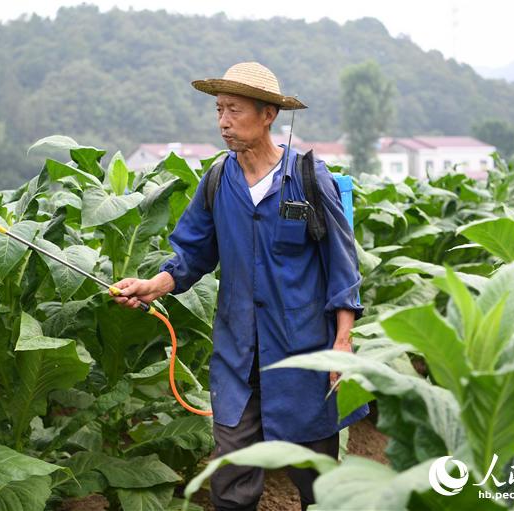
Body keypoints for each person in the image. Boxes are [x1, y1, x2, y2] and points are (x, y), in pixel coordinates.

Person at [111, 61, 367, 511]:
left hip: (304, 356)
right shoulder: (216, 181)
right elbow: (193, 255)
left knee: (319, 485)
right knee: (231, 482)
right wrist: (154, 285)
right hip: (237, 356)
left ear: (268, 114)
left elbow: (343, 269)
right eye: (219, 110)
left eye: (235, 109)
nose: (224, 121)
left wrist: (342, 344)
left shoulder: (308, 179)